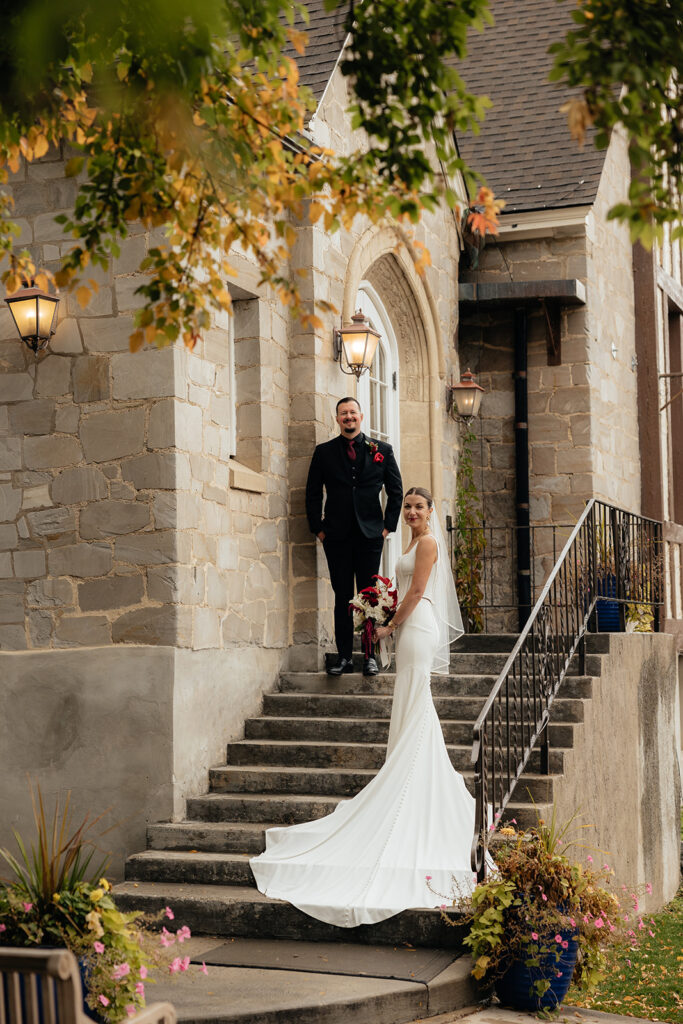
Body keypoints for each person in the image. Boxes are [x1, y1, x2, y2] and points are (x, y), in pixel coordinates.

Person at [250, 486, 479, 928]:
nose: (411, 512)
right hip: (409, 625)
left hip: (417, 627)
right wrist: (380, 610)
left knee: (417, 698)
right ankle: (408, 773)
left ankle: (413, 781)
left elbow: (417, 591)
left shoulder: (428, 543)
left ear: (431, 511)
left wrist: (390, 625)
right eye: (407, 506)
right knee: (413, 702)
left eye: (418, 507)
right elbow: (402, 588)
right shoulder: (411, 542)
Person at [305, 396, 403, 677]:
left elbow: (396, 491)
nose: (348, 417)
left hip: (370, 535)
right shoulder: (324, 452)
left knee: (369, 597)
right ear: (337, 419)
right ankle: (345, 657)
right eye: (343, 413)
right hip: (335, 536)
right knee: (343, 597)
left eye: (352, 412)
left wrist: (387, 527)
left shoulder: (382, 450)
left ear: (361, 416)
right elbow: (312, 493)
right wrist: (318, 529)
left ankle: (369, 657)